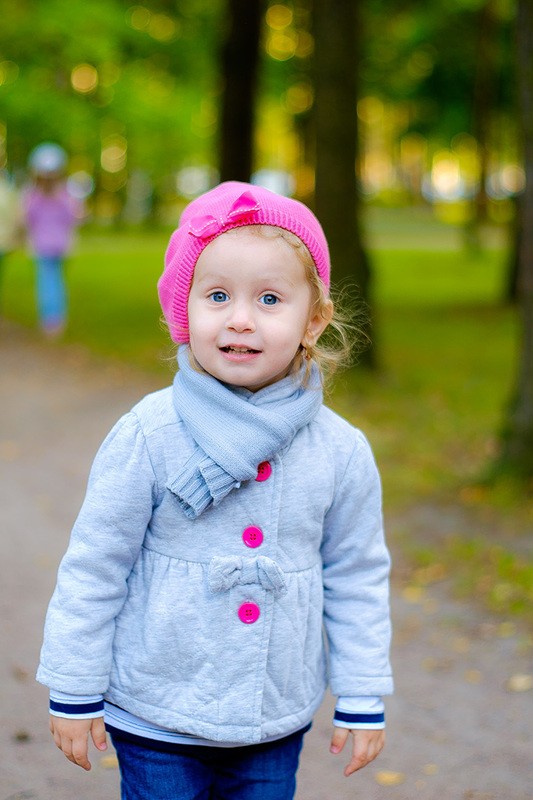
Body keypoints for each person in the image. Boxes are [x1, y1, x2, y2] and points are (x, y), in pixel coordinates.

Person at [37, 181, 393, 800]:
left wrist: (362, 691)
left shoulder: (340, 451)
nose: (240, 318)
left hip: (271, 715)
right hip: (156, 709)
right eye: (218, 295)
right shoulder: (151, 433)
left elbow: (357, 574)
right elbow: (96, 564)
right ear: (185, 309)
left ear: (314, 319)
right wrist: (74, 685)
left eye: (270, 298)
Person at [23, 142, 81, 337]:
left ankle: (50, 320)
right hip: (61, 245)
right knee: (57, 281)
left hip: (43, 246)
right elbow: (73, 217)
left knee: (47, 281)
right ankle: (56, 319)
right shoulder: (64, 195)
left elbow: (28, 218)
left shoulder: (32, 195)